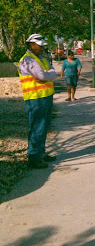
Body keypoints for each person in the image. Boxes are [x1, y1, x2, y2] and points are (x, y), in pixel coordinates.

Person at [18, 34, 58, 169]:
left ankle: (40, 152)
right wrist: (49, 74)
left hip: (45, 96)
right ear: (31, 45)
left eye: (42, 46)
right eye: (39, 46)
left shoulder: (40, 59)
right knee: (37, 127)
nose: (41, 48)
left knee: (44, 126)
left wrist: (49, 75)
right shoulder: (28, 60)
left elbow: (52, 73)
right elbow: (42, 75)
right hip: (35, 98)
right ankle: (34, 157)